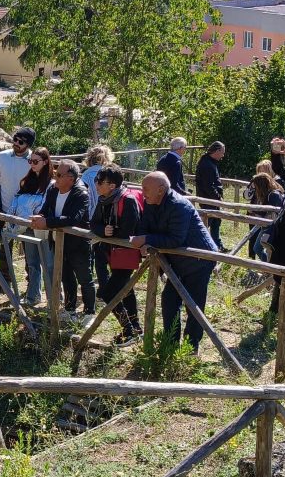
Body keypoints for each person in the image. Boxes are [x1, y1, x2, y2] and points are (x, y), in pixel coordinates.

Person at [130, 171, 218, 352]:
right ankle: (170, 343)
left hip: (199, 260)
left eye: (146, 188)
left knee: (193, 304)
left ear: (161, 189)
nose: (142, 192)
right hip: (177, 262)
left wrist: (146, 239)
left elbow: (175, 239)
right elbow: (144, 227)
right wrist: (144, 237)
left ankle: (190, 346)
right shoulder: (151, 202)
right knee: (169, 300)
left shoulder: (179, 205)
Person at [31, 158, 95, 324]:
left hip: (78, 244)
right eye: (55, 173)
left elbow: (74, 218)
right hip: (59, 242)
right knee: (66, 277)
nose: (55, 176)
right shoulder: (53, 189)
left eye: (59, 174)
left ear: (71, 179)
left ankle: (89, 312)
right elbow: (46, 209)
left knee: (84, 278)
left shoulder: (81, 193)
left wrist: (48, 222)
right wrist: (41, 216)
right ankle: (70, 309)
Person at [90, 164, 143, 345]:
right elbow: (93, 223)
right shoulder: (103, 199)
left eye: (99, 182)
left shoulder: (127, 200)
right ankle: (136, 327)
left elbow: (129, 230)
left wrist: (110, 232)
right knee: (126, 290)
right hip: (111, 253)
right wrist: (104, 231)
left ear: (112, 185)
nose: (96, 185)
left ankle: (128, 330)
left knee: (108, 293)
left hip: (126, 254)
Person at [0, 126, 36, 281]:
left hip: (27, 212)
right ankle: (4, 282)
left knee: (30, 251)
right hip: (5, 209)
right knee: (5, 248)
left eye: (20, 141)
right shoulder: (2, 157)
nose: (16, 143)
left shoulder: (33, 161)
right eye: (15, 139)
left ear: (28, 144)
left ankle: (31, 283)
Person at [8, 147, 54, 306]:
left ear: (46, 162)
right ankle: (33, 296)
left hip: (43, 227)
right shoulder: (27, 180)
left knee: (49, 264)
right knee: (32, 263)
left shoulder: (51, 183)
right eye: (30, 161)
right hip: (27, 224)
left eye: (35, 161)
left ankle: (54, 299)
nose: (32, 164)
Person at [80, 143, 116, 293]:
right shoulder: (108, 174)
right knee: (102, 256)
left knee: (89, 254)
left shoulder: (85, 175)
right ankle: (104, 287)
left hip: (88, 217)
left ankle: (89, 286)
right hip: (104, 217)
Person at [195, 141, 226, 251]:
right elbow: (209, 186)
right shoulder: (206, 164)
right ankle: (199, 245)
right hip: (209, 199)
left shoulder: (210, 162)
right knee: (207, 223)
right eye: (222, 152)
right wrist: (218, 197)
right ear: (217, 151)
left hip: (212, 199)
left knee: (216, 222)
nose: (223, 155)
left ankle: (217, 245)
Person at [246, 172, 284, 261]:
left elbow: (275, 213)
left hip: (272, 227)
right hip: (266, 226)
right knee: (257, 248)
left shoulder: (274, 195)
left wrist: (254, 212)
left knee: (262, 249)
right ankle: (266, 268)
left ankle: (268, 269)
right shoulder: (268, 194)